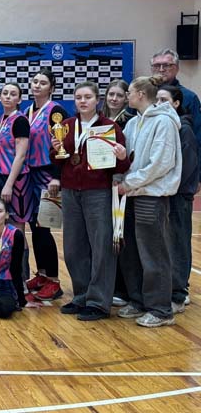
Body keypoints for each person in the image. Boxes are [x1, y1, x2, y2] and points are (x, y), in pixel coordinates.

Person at [52, 82, 129, 321]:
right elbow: (58, 160)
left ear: (97, 100)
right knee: (73, 247)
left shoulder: (110, 127)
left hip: (98, 192)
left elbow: (121, 166)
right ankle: (81, 295)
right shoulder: (66, 125)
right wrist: (55, 150)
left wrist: (122, 157)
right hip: (70, 191)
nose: (83, 101)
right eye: (78, 97)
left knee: (101, 246)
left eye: (87, 97)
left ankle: (98, 302)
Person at [116, 76, 182, 328]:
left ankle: (161, 309)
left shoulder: (164, 122)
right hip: (131, 194)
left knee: (153, 253)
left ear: (141, 94)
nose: (126, 96)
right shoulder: (133, 122)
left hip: (151, 196)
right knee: (131, 250)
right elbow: (127, 157)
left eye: (129, 92)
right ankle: (138, 300)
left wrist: (130, 182)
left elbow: (160, 164)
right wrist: (120, 169)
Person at [22, 69, 68, 301]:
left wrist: (56, 177)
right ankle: (41, 275)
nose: (37, 85)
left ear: (52, 87)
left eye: (43, 82)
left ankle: (54, 281)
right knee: (34, 226)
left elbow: (61, 146)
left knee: (44, 227)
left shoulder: (56, 112)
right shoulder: (27, 111)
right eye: (35, 81)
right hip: (29, 175)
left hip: (47, 175)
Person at [156, 84, 199, 313]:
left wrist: (168, 187)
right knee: (164, 244)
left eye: (164, 100)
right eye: (157, 100)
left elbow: (187, 168)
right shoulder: (164, 126)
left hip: (178, 196)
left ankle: (179, 294)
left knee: (178, 244)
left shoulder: (184, 129)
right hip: (164, 194)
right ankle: (166, 290)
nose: (159, 104)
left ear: (176, 103)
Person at [0, 82, 30, 286]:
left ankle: (21, 278)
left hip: (16, 181)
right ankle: (4, 273)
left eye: (13, 94)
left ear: (19, 99)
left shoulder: (20, 120)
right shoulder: (0, 119)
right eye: (4, 93)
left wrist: (9, 184)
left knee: (17, 228)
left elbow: (20, 155)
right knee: (3, 228)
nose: (7, 96)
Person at [101, 78, 134, 307]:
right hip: (101, 184)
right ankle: (108, 284)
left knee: (120, 235)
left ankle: (123, 288)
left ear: (126, 99)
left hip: (120, 185)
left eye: (119, 95)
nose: (114, 98)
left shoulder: (129, 121)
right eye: (111, 94)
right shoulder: (99, 120)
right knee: (105, 237)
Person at [150, 48, 201, 147]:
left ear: (177, 68)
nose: (161, 69)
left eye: (166, 65)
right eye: (156, 65)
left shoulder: (189, 97)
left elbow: (198, 135)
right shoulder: (144, 93)